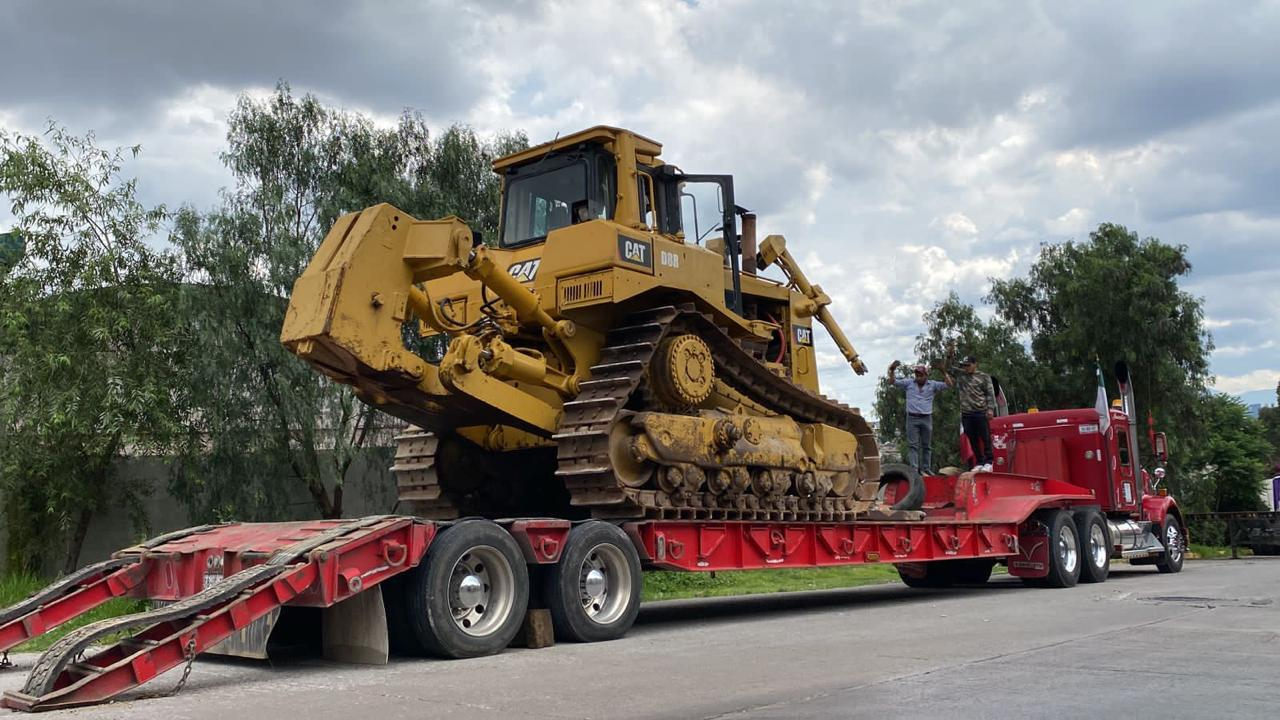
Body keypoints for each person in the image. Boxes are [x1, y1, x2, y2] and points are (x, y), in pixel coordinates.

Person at [887, 360, 952, 475]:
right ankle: (914, 469)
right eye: (917, 375)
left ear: (926, 375)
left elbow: (949, 385)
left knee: (927, 445)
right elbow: (892, 382)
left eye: (921, 375)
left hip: (926, 418)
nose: (918, 377)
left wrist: (943, 371)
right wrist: (892, 370)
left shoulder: (932, 385)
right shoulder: (909, 383)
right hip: (912, 418)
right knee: (913, 445)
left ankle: (926, 468)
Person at [953, 355, 996, 472]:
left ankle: (989, 461)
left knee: (985, 437)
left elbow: (990, 394)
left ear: (975, 364)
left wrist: (990, 409)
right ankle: (980, 461)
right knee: (972, 438)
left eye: (968, 365)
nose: (966, 368)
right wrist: (949, 353)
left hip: (980, 411)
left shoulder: (983, 377)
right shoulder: (961, 376)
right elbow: (947, 367)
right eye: (964, 365)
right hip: (967, 413)